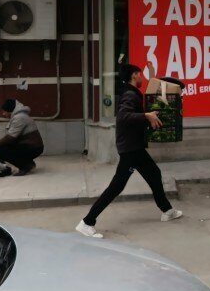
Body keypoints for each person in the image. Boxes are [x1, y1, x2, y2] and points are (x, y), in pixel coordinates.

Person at [76, 64, 182, 238]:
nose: (142, 78)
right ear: (134, 75)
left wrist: (148, 114)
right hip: (130, 149)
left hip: (135, 146)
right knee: (117, 186)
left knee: (154, 173)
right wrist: (146, 115)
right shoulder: (130, 95)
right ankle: (87, 222)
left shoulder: (131, 93)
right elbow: (123, 117)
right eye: (140, 74)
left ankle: (167, 210)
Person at [0, 99, 43, 176]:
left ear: (10, 111)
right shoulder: (20, 116)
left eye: (4, 111)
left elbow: (10, 138)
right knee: (2, 147)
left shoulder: (19, 118)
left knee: (0, 150)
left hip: (33, 147)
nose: (4, 114)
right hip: (31, 145)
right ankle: (28, 163)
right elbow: (11, 138)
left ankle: (25, 166)